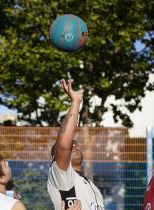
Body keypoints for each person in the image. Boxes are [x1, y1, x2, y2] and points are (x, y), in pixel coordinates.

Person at [47, 79, 105, 210]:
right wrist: (76, 102)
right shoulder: (61, 175)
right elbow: (63, 144)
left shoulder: (92, 186)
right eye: (70, 145)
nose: (73, 145)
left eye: (76, 143)